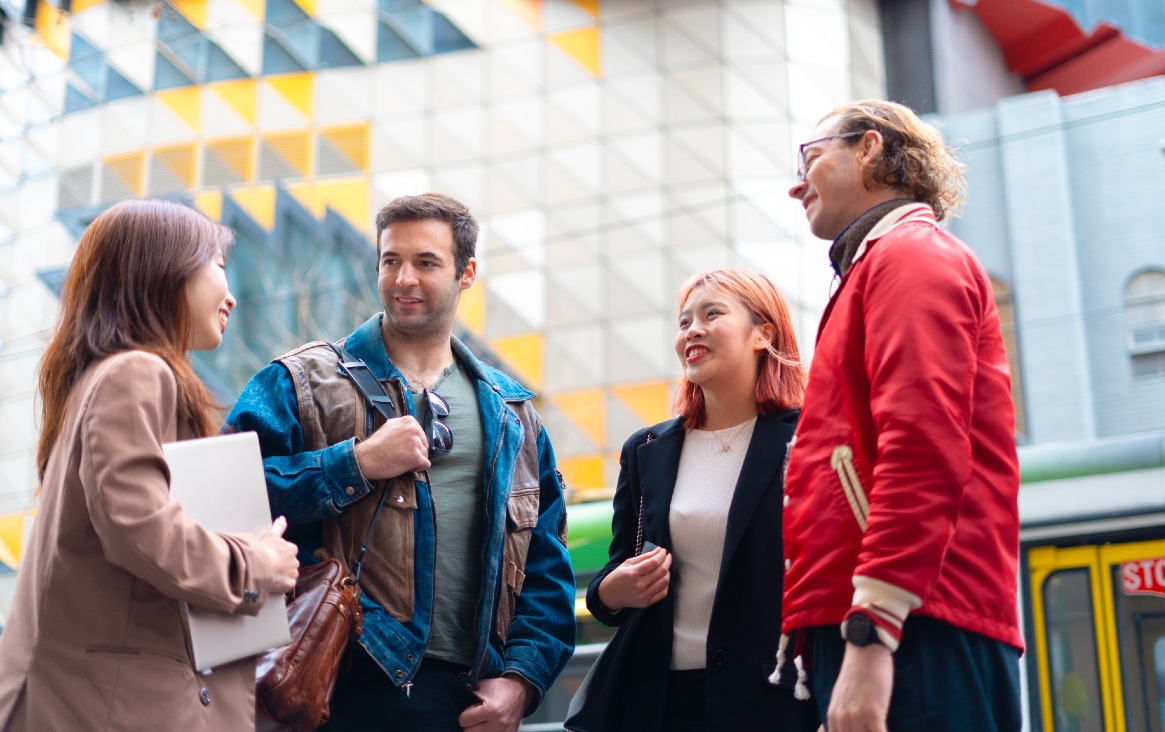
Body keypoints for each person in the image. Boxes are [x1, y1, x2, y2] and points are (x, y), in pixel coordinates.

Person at [224, 192, 576, 731]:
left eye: (426, 262)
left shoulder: (513, 414)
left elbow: (546, 565)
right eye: (392, 261)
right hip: (331, 682)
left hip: (465, 702)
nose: (404, 278)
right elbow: (225, 499)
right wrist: (355, 463)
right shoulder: (299, 381)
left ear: (467, 273)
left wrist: (521, 679)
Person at [0, 199, 300, 731]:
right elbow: (139, 527)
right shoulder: (136, 372)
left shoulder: (101, 379)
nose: (230, 295)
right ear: (165, 269)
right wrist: (257, 566)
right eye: (219, 268)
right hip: (111, 706)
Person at [779, 99, 1023, 732]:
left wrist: (873, 627)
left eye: (810, 156)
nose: (794, 182)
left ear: (870, 148)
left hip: (914, 622)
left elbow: (923, 446)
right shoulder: (876, 266)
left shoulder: (909, 258)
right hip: (903, 615)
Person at [582, 269, 812, 732]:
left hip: (774, 699)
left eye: (712, 314)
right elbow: (612, 577)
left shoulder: (808, 437)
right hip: (660, 701)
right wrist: (612, 591)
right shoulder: (646, 450)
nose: (692, 330)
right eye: (684, 321)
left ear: (761, 334)